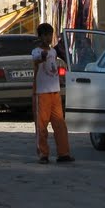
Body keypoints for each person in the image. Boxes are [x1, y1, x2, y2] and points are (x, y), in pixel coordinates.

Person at [32, 23, 72, 165]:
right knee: (42, 125)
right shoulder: (36, 51)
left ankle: (63, 152)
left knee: (60, 124)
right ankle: (43, 154)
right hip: (41, 93)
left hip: (54, 91)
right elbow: (39, 58)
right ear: (41, 36)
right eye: (46, 35)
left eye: (50, 34)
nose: (49, 37)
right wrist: (44, 53)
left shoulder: (54, 52)